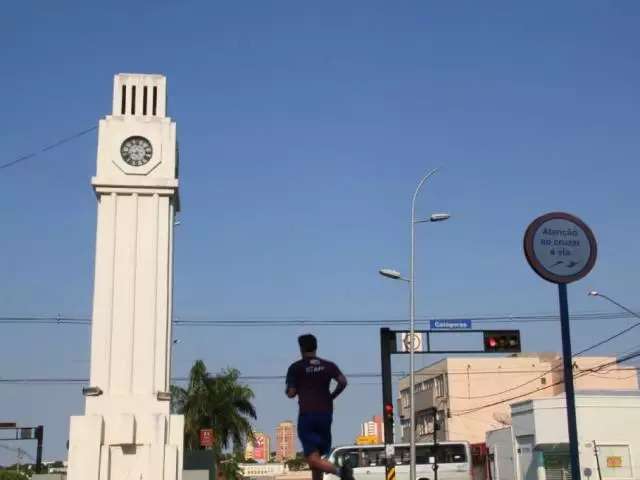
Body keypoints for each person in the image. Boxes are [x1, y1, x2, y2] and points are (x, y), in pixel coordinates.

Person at [285, 334, 353, 480]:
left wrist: (293, 389)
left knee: (312, 459)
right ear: (316, 347)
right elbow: (343, 381)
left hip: (307, 415)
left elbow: (291, 393)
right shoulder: (329, 365)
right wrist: (332, 396)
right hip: (325, 415)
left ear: (301, 348)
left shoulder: (296, 367)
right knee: (317, 459)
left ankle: (342, 473)